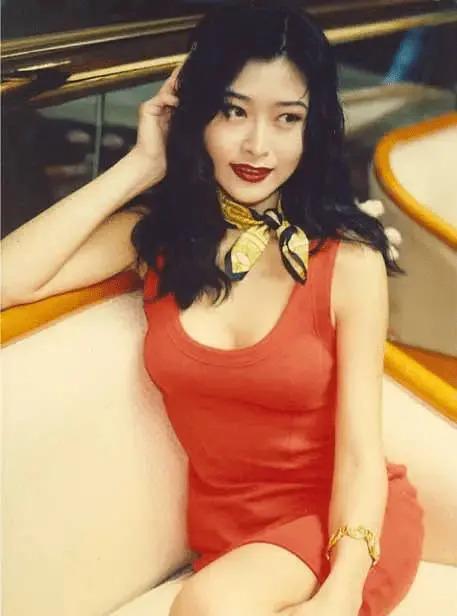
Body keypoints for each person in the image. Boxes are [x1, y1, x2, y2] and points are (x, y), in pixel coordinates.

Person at [1, 1, 424, 615]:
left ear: (313, 129)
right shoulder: (157, 242)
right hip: (231, 546)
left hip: (345, 530)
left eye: (287, 118)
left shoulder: (349, 261)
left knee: (208, 605)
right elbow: (8, 280)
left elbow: (361, 455)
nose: (257, 145)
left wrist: (340, 593)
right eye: (233, 111)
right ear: (196, 114)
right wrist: (141, 165)